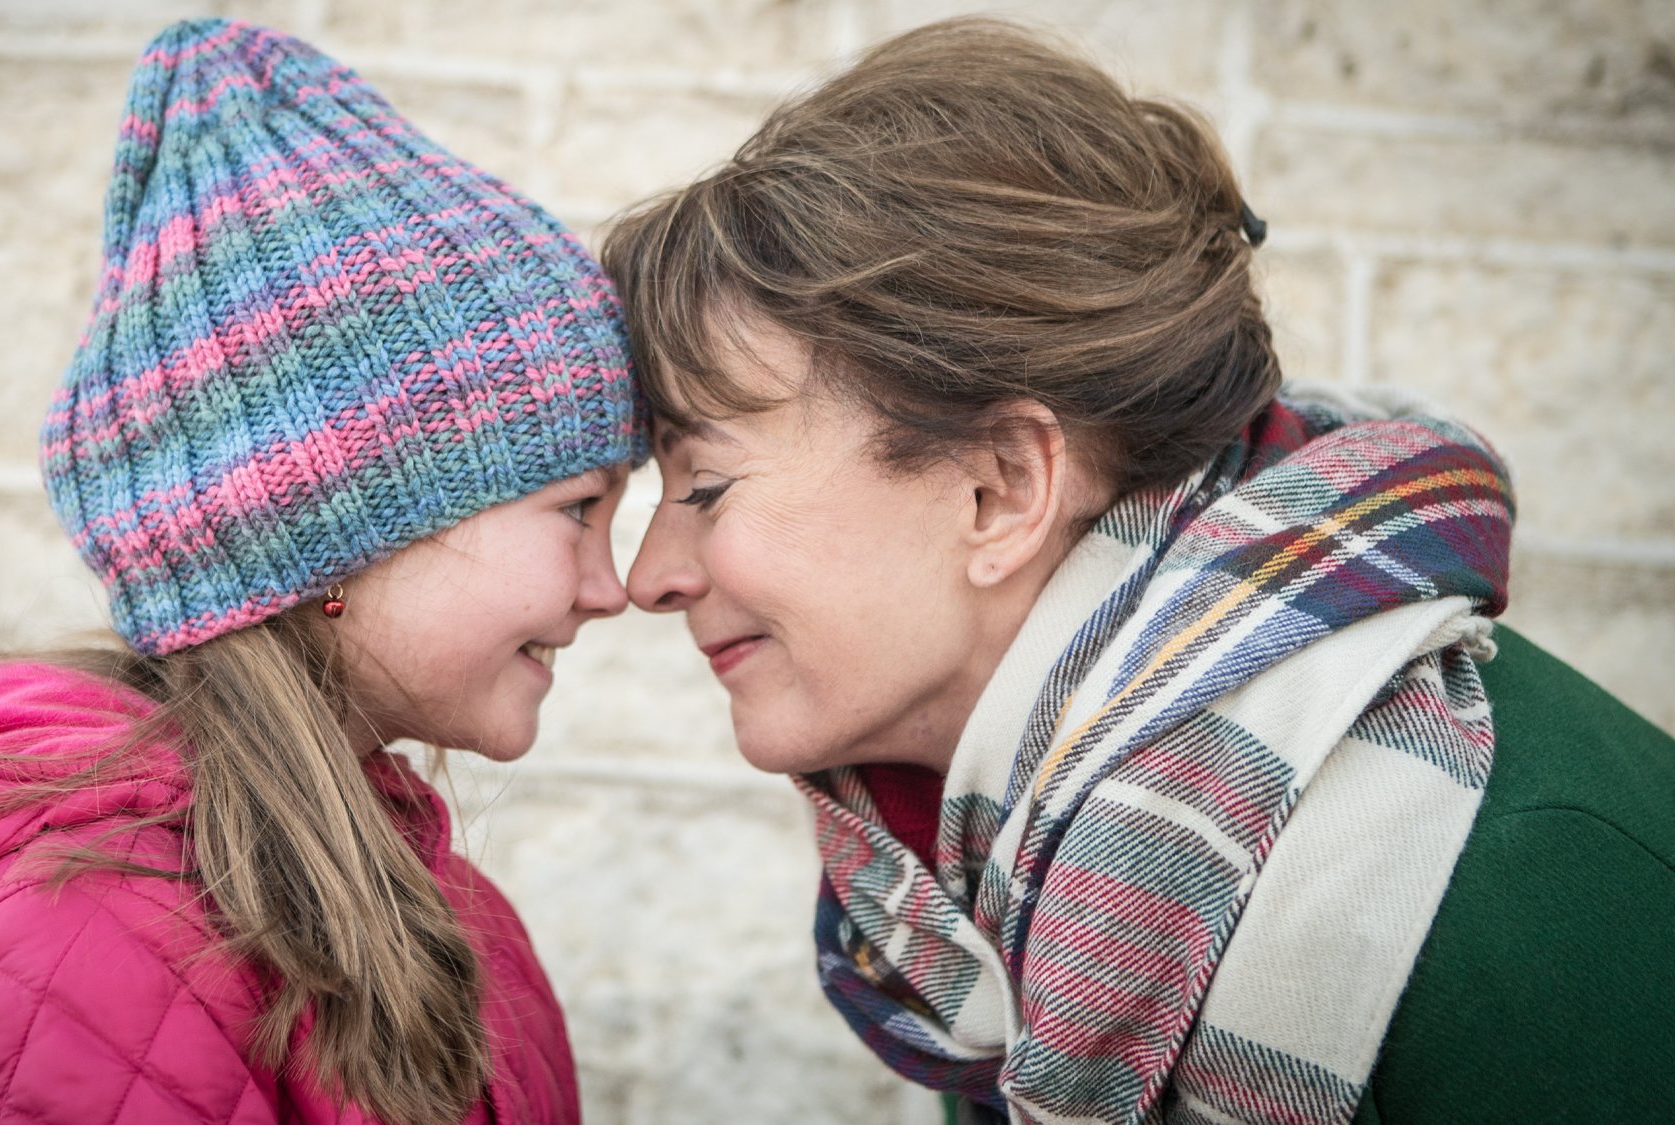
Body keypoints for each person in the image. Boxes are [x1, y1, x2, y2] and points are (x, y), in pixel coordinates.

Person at [605, 17, 1675, 1125]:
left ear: (1000, 488)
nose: (648, 576)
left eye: (704, 487)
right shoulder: (994, 880)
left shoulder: (1527, 905)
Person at [0, 19, 640, 1125]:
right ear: (336, 535)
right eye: (575, 512)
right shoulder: (79, 943)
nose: (609, 587)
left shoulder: (423, 895)